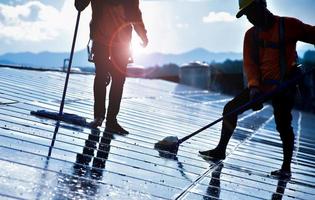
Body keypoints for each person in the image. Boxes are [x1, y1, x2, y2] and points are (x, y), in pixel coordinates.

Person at [199, 0, 315, 178]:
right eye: (247, 15)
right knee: (230, 109)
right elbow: (250, 65)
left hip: (285, 85)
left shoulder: (289, 25)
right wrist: (254, 88)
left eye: (252, 11)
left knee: (283, 123)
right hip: (261, 85)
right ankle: (220, 150)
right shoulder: (251, 35)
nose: (250, 18)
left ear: (263, 5)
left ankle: (286, 168)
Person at [75, 0, 148, 134]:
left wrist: (143, 35)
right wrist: (143, 36)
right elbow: (80, 5)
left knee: (113, 79)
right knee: (110, 79)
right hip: (106, 41)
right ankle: (105, 118)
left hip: (118, 44)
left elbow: (135, 14)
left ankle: (106, 119)